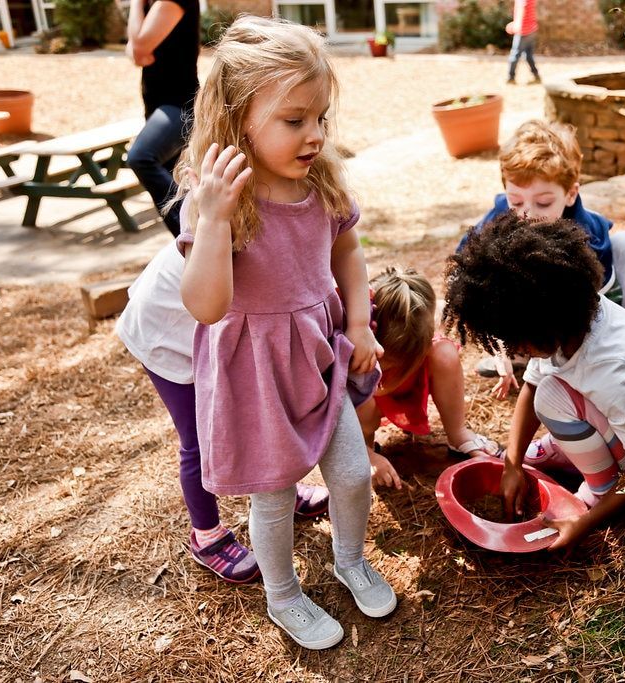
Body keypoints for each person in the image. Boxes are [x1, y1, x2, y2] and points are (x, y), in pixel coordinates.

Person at [172, 17, 396, 650]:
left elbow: (347, 251)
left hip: (319, 357)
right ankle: (283, 595)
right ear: (241, 117)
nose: (315, 135)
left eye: (320, 117)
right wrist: (213, 220)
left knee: (350, 474)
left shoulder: (321, 180)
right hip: (257, 374)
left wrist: (359, 321)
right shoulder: (218, 199)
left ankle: (349, 560)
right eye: (295, 121)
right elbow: (206, 305)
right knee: (272, 498)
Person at [444, 212, 625, 550]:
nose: (514, 349)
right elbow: (529, 386)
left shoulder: (606, 365)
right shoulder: (570, 321)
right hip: (624, 425)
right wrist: (512, 463)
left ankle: (600, 487)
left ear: (547, 321)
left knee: (551, 397)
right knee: (544, 391)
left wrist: (585, 522)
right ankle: (575, 447)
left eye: (516, 340)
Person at [116, 244, 332, 583]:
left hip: (216, 328)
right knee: (200, 438)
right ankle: (206, 535)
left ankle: (278, 489)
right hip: (167, 334)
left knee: (261, 408)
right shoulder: (225, 223)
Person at [458, 119, 625, 398]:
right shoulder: (504, 215)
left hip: (595, 315)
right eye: (516, 201)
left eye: (543, 203)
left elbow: (583, 307)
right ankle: (523, 351)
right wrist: (498, 343)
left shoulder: (586, 235)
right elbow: (466, 266)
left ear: (571, 194)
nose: (526, 212)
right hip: (540, 331)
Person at [357, 266, 503, 490]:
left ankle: (458, 434)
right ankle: (364, 447)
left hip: (410, 386)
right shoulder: (356, 348)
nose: (382, 375)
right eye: (378, 364)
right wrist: (365, 456)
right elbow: (334, 413)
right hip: (366, 404)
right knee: (362, 403)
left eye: (393, 367)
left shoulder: (427, 349)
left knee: (445, 354)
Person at [122, 0, 200, 236]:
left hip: (179, 105)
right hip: (159, 107)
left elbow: (138, 49)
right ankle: (192, 247)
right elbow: (136, 53)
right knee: (174, 186)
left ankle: (196, 237)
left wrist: (135, 4)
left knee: (141, 158)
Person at [505, 0, 540, 85]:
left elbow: (522, 8)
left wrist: (516, 25)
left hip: (523, 31)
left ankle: (511, 78)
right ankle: (536, 75)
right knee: (528, 55)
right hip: (532, 29)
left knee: (515, 55)